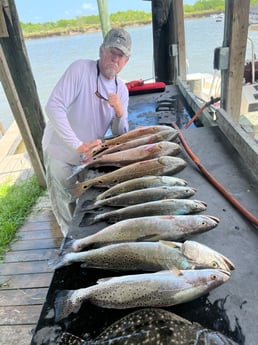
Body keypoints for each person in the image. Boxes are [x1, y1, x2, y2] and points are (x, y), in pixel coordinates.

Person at [42, 28, 131, 236]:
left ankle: (84, 239)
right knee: (64, 205)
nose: (115, 59)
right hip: (61, 152)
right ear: (101, 51)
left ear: (127, 60)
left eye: (121, 55)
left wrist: (119, 112)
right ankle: (68, 244)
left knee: (85, 202)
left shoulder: (122, 90)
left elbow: (121, 132)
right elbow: (53, 107)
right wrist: (78, 145)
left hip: (88, 158)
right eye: (112, 52)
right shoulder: (80, 69)